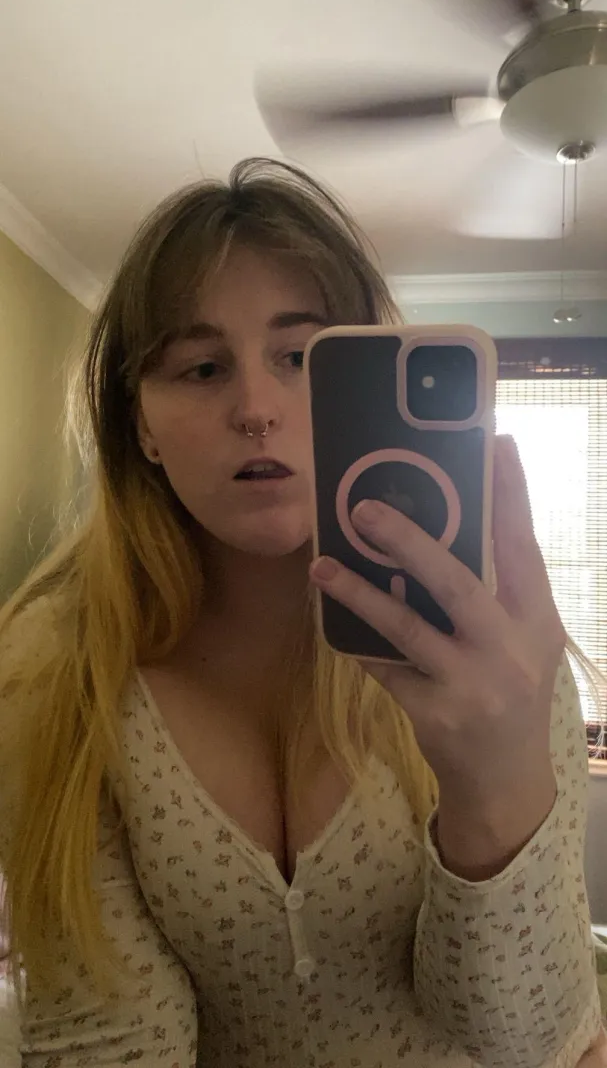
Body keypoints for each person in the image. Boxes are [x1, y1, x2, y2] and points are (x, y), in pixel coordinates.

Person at [0, 157, 604, 1068]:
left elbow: (527, 1039)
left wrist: (495, 788)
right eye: (202, 367)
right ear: (142, 429)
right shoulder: (55, 667)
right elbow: (105, 1039)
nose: (255, 409)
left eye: (300, 359)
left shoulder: (491, 639)